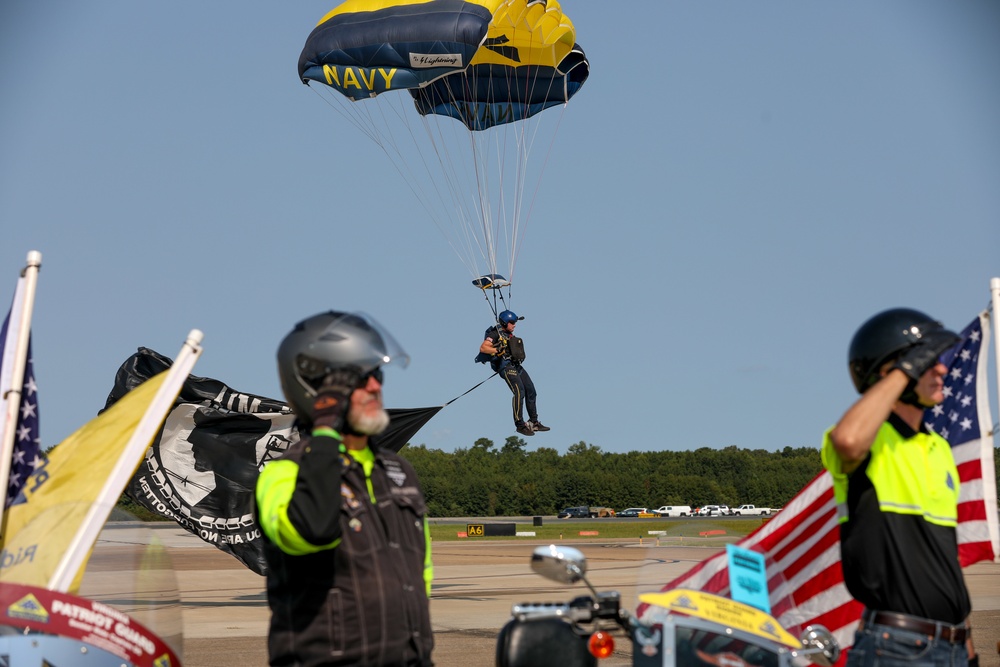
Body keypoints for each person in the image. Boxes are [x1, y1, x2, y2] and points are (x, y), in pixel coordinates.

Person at [256, 311, 434, 667]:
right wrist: (325, 431)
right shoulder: (283, 474)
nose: (375, 387)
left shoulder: (399, 472)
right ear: (319, 390)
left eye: (377, 374)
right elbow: (313, 529)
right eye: (361, 378)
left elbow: (420, 576)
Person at [821, 307, 978, 666]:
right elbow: (847, 441)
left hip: (951, 646)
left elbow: (944, 557)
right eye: (928, 361)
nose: (941, 369)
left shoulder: (938, 447)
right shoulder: (867, 441)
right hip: (898, 648)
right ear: (890, 373)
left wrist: (966, 642)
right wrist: (905, 370)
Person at [478, 309, 549, 437]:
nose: (514, 325)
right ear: (505, 323)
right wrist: (497, 349)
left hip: (515, 365)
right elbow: (483, 347)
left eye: (515, 322)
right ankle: (520, 425)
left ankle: (534, 422)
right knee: (519, 391)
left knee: (531, 390)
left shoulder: (509, 334)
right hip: (505, 366)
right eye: (512, 322)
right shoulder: (495, 334)